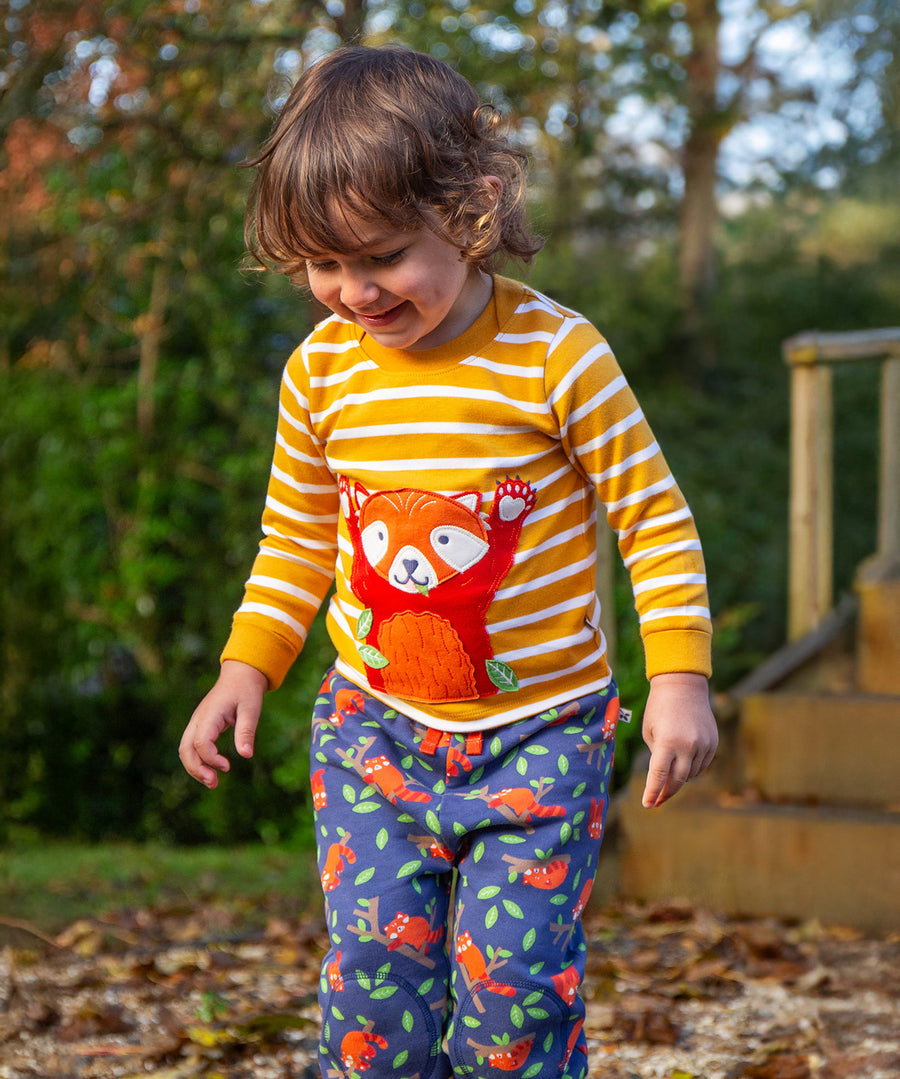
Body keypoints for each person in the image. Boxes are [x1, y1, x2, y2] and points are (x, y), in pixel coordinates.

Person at [179, 44, 718, 1079]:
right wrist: (243, 667)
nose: (351, 292)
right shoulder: (321, 375)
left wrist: (681, 679)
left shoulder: (557, 357)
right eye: (320, 266)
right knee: (375, 976)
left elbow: (653, 518)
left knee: (513, 988)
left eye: (378, 256)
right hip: (373, 733)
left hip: (543, 734)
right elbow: (297, 538)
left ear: (471, 209)